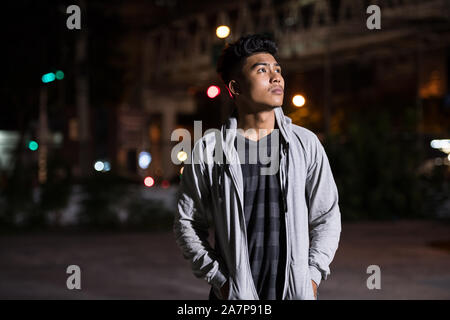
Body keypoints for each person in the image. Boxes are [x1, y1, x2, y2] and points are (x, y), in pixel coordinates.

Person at [174, 34, 341, 300]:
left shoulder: (305, 144)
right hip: (236, 297)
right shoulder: (209, 150)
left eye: (278, 70)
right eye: (262, 70)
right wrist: (221, 282)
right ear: (235, 87)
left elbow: (327, 216)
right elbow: (188, 223)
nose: (276, 77)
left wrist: (312, 277)